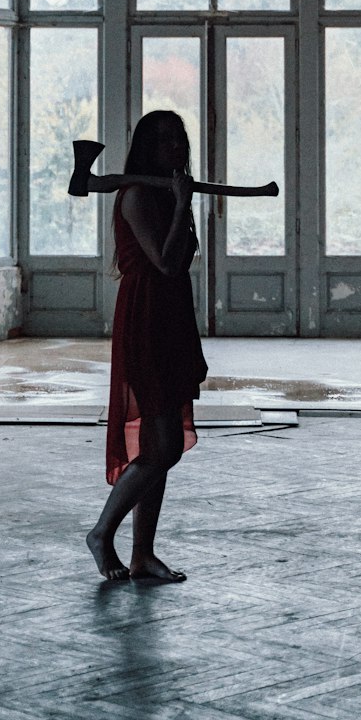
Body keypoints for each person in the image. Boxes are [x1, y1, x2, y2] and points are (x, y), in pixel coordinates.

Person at [86, 110, 208, 583]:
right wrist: (181, 206)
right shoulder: (137, 195)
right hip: (146, 318)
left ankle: (142, 556)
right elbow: (162, 261)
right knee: (161, 448)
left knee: (165, 444)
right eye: (164, 143)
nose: (175, 150)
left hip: (172, 315)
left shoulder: (164, 193)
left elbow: (179, 258)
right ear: (145, 149)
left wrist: (181, 205)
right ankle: (102, 532)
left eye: (179, 141)